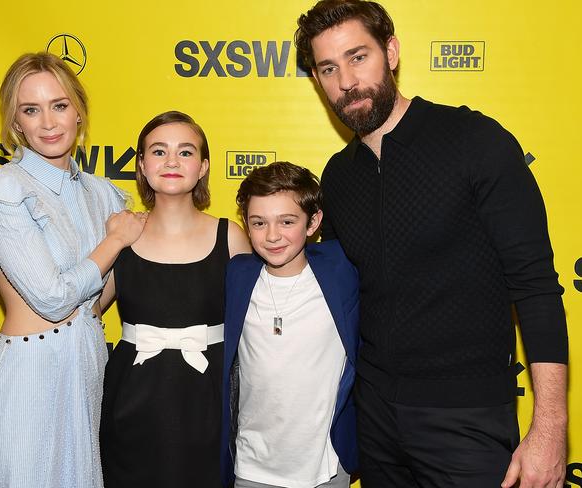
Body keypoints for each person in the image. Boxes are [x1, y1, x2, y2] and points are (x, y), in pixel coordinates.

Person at [295, 1, 568, 487]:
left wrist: (549, 429)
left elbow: (537, 289)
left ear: (392, 52)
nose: (346, 81)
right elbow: (340, 300)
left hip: (468, 417)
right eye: (329, 68)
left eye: (359, 57)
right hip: (375, 420)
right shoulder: (338, 176)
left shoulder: (474, 140)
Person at [0, 53, 145, 488]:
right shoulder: (6, 189)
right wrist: (114, 241)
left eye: (59, 105)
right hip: (30, 375)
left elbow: (98, 299)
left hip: (89, 369)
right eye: (30, 109)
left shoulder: (104, 194)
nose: (48, 122)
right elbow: (53, 299)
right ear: (15, 123)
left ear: (79, 111)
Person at [99, 111, 252, 488]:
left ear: (203, 167)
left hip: (208, 400)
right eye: (158, 151)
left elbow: (256, 326)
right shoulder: (122, 234)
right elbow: (81, 310)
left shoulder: (230, 236)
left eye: (185, 152)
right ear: (141, 165)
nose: (171, 161)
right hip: (131, 401)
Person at [220, 161, 359, 488]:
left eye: (286, 221)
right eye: (258, 223)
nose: (272, 235)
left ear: (313, 223)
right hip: (252, 465)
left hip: (326, 465)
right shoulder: (237, 275)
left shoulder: (342, 269)